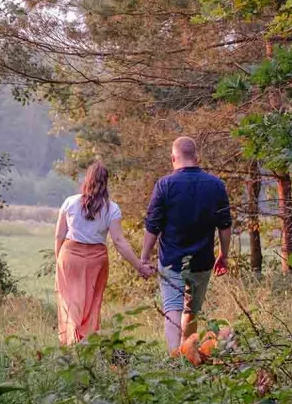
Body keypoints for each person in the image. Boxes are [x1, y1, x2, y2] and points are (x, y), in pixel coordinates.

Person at [141, 137, 232, 352]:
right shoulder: (216, 185)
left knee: (172, 308)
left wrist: (144, 257)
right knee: (192, 310)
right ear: (196, 158)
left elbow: (152, 226)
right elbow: (225, 225)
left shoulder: (164, 185)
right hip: (202, 260)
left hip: (171, 260)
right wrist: (223, 255)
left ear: (173, 158)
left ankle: (175, 357)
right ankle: (188, 354)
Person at [54, 161, 153, 345]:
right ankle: (86, 342)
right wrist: (139, 266)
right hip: (96, 260)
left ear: (87, 179)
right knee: (92, 303)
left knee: (70, 301)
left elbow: (59, 235)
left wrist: (58, 261)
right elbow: (119, 242)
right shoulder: (112, 209)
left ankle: (70, 341)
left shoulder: (69, 202)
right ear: (106, 182)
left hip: (69, 257)